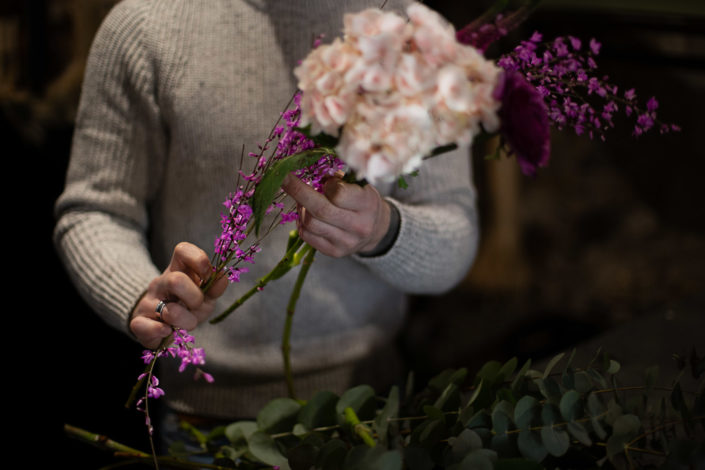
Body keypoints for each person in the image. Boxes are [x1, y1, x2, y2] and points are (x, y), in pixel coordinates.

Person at [54, 0, 479, 422]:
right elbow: (94, 210)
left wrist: (383, 231)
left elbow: (455, 236)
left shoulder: (417, 36)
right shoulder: (148, 25)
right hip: (199, 413)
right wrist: (141, 295)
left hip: (372, 409)